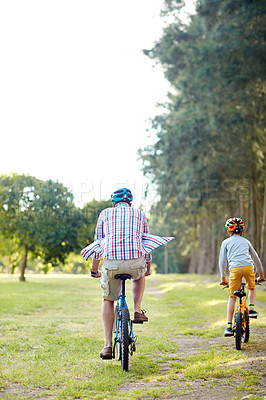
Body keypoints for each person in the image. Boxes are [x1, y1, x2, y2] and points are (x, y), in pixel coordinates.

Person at [81, 188, 174, 359]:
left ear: (113, 203)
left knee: (108, 300)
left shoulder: (105, 213)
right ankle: (137, 310)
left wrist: (94, 270)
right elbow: (146, 243)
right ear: (130, 203)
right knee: (140, 277)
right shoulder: (140, 214)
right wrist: (147, 268)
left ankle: (108, 345)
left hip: (112, 263)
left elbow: (98, 244)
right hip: (135, 262)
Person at [219, 217, 265, 337]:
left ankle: (229, 326)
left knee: (232, 297)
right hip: (249, 267)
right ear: (242, 230)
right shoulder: (246, 241)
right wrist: (261, 275)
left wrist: (223, 278)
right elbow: (256, 259)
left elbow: (222, 262)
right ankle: (251, 308)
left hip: (234, 269)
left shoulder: (225, 242)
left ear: (229, 231)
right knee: (251, 287)